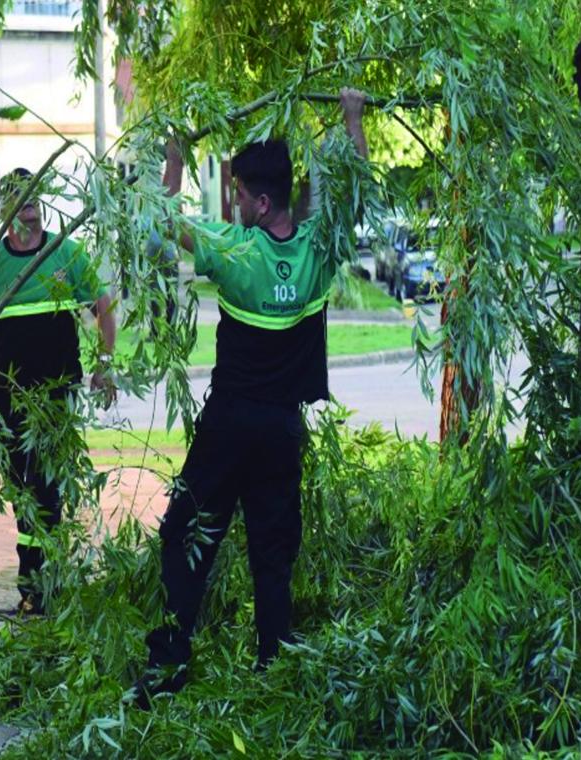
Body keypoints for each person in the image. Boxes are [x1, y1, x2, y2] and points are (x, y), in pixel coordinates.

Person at [133, 88, 369, 706]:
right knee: (272, 548)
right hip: (283, 431)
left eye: (238, 193)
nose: (233, 202)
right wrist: (349, 120)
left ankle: (171, 661)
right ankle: (275, 665)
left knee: (187, 530)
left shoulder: (236, 252)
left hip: (230, 423)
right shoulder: (319, 250)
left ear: (261, 203)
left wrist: (176, 158)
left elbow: (162, 222)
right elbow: (354, 197)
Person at [0, 167, 117, 616]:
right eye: (19, 198)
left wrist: (104, 364)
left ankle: (42, 589)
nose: (29, 206)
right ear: (6, 209)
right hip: (10, 396)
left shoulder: (65, 253)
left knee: (47, 488)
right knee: (21, 488)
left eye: (35, 197)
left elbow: (102, 303)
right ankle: (39, 588)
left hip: (57, 396)